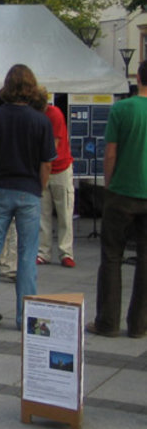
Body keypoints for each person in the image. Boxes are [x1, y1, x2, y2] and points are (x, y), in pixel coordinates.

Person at [0, 64, 54, 330]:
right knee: (27, 254)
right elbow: (46, 164)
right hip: (29, 190)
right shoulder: (41, 120)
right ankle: (25, 316)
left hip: (1, 188)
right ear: (31, 88)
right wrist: (39, 189)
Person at [88, 60, 147, 339]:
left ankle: (108, 322)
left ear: (138, 77)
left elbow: (110, 152)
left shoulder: (122, 109)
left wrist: (109, 183)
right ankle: (139, 325)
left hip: (122, 191)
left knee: (112, 256)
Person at [37, 98, 76, 268]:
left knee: (64, 213)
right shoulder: (37, 115)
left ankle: (66, 252)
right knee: (42, 214)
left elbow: (53, 147)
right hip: (43, 168)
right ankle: (43, 252)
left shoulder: (54, 115)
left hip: (60, 168)